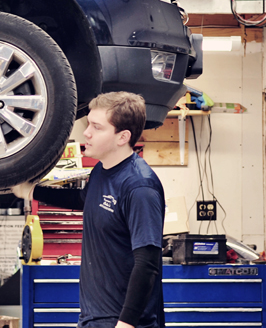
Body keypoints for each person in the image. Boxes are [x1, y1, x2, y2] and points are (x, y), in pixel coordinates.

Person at [12, 91, 165, 328]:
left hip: (123, 322)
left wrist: (126, 323)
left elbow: (148, 262)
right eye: (88, 124)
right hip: (94, 317)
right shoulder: (101, 171)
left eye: (97, 127)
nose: (87, 133)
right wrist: (33, 191)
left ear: (122, 137)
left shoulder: (139, 186)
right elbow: (84, 199)